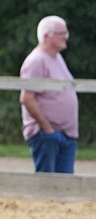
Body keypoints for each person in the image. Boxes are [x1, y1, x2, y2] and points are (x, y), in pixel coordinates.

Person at [20, 15, 78, 173]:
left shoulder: (57, 58)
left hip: (65, 135)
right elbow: (27, 98)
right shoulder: (36, 60)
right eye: (61, 33)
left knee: (64, 188)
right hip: (48, 135)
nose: (65, 37)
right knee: (47, 187)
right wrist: (47, 129)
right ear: (47, 35)